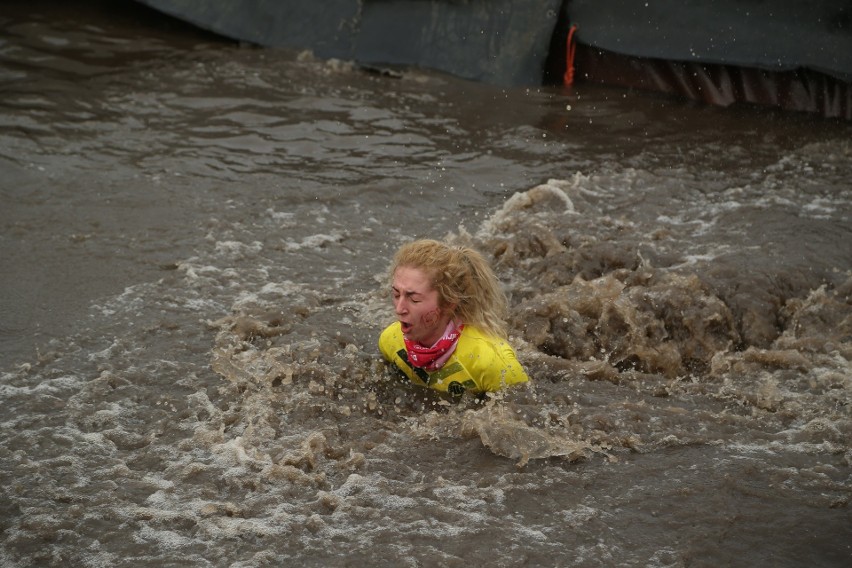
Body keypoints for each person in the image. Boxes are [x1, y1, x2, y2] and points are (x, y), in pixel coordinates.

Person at [378, 239, 529, 396]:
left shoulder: (493, 362)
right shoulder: (390, 341)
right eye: (396, 294)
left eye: (414, 299)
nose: (399, 308)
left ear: (449, 303)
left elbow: (526, 409)